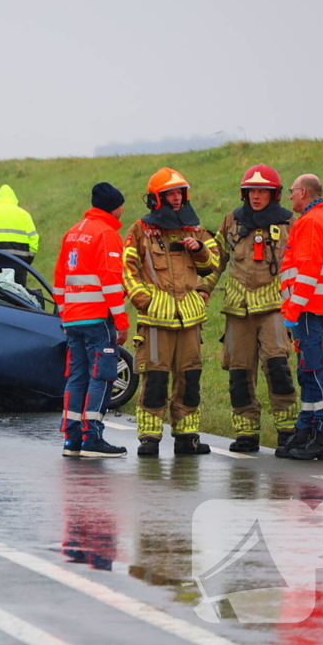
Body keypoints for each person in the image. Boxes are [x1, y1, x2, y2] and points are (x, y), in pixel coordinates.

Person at [123, 168, 220, 457]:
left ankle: (186, 437)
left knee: (190, 380)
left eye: (180, 193)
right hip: (155, 321)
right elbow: (128, 269)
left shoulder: (196, 229)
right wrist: (144, 299)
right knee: (155, 380)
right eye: (170, 194)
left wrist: (199, 249)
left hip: (190, 320)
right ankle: (149, 438)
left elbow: (212, 265)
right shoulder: (140, 229)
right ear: (156, 198)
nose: (177, 199)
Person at [200, 164, 297, 452]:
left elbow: (302, 263)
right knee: (239, 373)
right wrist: (204, 289)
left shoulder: (290, 223)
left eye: (262, 191)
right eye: (251, 191)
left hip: (274, 308)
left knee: (277, 368)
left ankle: (287, 431)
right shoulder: (231, 221)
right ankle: (246, 433)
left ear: (274, 194)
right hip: (237, 310)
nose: (256, 196)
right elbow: (215, 259)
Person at [53, 182, 129, 457]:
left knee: (77, 377)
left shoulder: (73, 232)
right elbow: (110, 282)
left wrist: (65, 313)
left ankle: (72, 439)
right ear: (114, 207)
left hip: (73, 319)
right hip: (97, 319)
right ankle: (92, 437)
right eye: (122, 204)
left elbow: (59, 280)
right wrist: (121, 321)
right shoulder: (107, 234)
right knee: (102, 376)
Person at [277, 174, 323, 458]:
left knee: (314, 371)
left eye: (292, 191)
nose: (289, 196)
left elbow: (308, 271)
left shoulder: (310, 222)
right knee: (308, 370)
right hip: (320, 306)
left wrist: (292, 309)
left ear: (303, 192)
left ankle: (322, 434)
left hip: (307, 307)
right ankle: (306, 427)